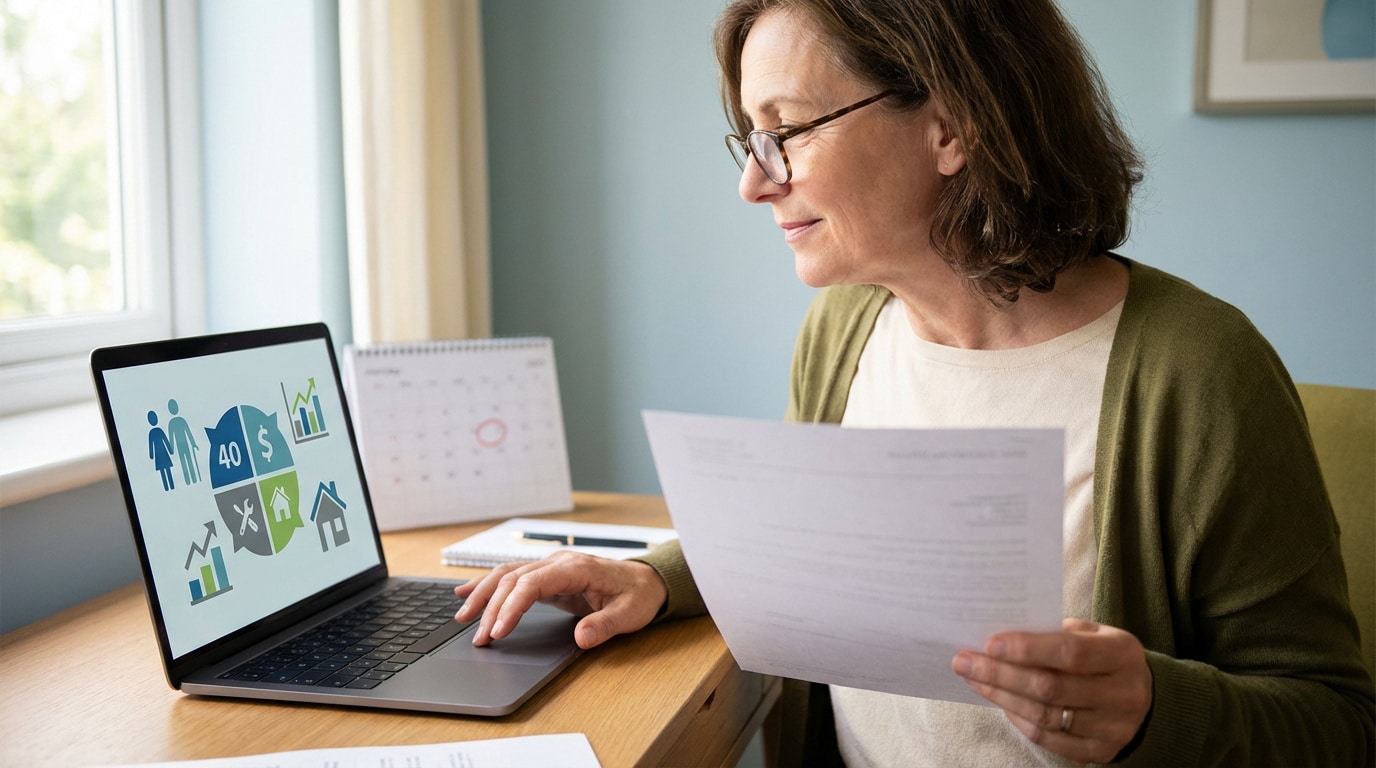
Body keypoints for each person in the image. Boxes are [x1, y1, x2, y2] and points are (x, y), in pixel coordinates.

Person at [455, 0, 1376, 764]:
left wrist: (1152, 714)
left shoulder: (1200, 371)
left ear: (953, 125)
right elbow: (802, 544)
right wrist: (652, 578)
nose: (754, 184)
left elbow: (1336, 723)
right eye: (750, 139)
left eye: (786, 132)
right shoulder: (845, 332)